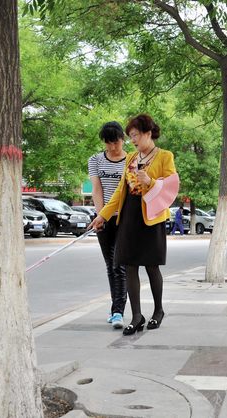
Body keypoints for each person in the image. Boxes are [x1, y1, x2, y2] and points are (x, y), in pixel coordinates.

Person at [89, 114, 177, 335]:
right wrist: (103, 215)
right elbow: (120, 191)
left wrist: (151, 182)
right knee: (128, 264)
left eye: (135, 135)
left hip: (151, 215)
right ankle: (137, 316)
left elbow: (172, 187)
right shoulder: (131, 159)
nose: (133, 140)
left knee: (151, 265)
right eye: (131, 137)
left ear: (148, 133)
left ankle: (158, 311)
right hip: (129, 213)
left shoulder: (165, 156)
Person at [88, 121, 127, 329]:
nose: (113, 147)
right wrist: (100, 215)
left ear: (123, 139)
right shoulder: (95, 160)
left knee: (118, 264)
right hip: (104, 218)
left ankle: (118, 311)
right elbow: (97, 189)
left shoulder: (131, 160)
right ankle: (116, 310)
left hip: (125, 218)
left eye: (116, 142)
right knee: (110, 266)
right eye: (108, 143)